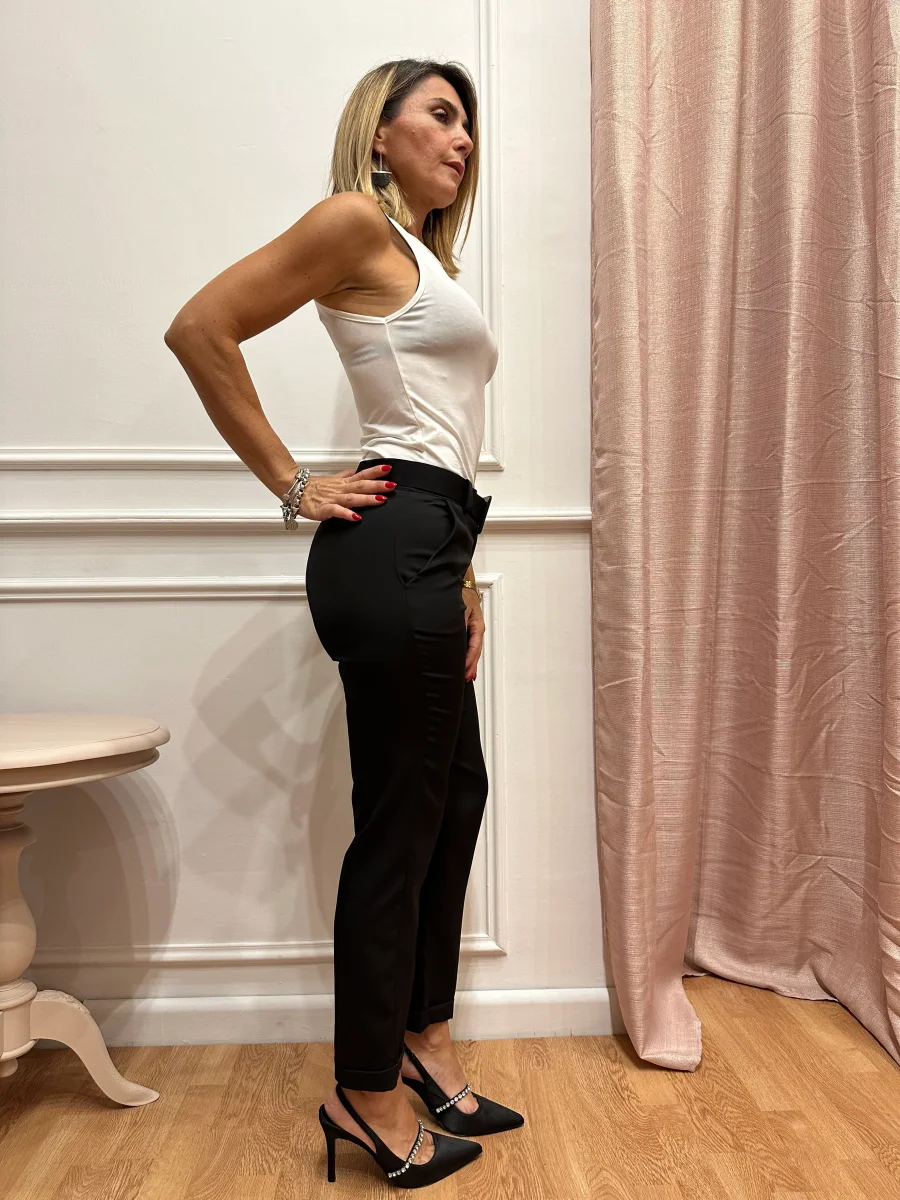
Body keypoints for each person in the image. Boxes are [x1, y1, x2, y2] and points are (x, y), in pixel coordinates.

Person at [165, 57, 523, 1188]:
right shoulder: (353, 223)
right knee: (398, 825)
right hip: (391, 535)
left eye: (469, 123)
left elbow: (444, 431)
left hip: (434, 538)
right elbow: (201, 328)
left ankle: (423, 1041)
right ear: (380, 133)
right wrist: (291, 482)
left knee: (452, 798)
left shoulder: (418, 256)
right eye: (441, 115)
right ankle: (366, 1090)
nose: (463, 140)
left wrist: (464, 574)